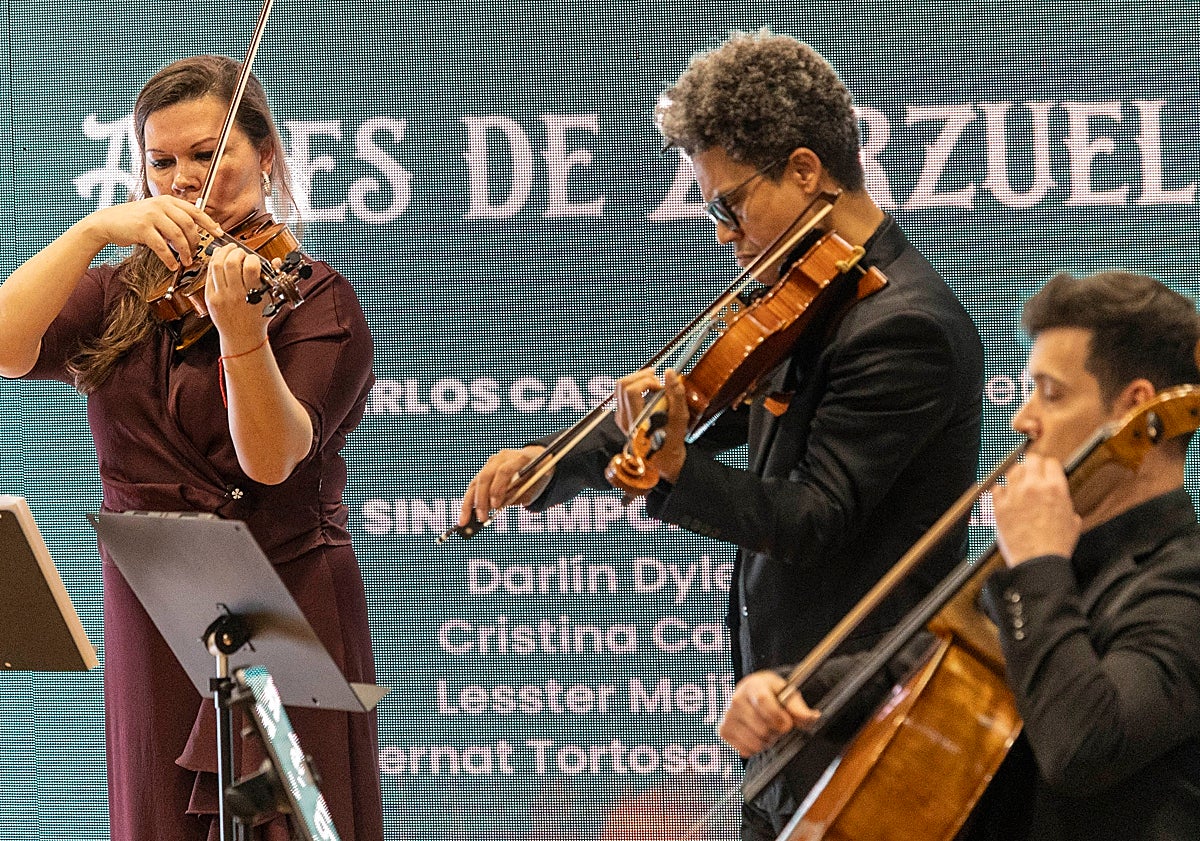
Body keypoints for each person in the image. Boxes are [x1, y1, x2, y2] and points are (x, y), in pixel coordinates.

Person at [458, 30, 983, 840]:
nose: (722, 233)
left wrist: (670, 475)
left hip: (867, 721)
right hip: (783, 721)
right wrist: (553, 464)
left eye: (730, 203)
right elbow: (694, 403)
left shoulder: (902, 327)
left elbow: (813, 518)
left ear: (805, 171)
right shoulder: (811, 298)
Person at [0, 56, 382, 841]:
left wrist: (244, 336)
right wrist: (95, 229)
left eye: (209, 155)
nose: (184, 179)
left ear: (266, 155)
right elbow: (6, 345)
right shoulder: (117, 293)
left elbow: (271, 460)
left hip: (283, 605)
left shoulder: (315, 297)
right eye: (162, 161)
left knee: (290, 826)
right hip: (152, 604)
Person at [719, 271, 1200, 840]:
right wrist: (793, 689)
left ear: (1133, 407)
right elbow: (935, 661)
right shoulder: (1053, 555)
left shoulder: (1181, 580)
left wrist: (1038, 566)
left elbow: (1084, 748)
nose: (1023, 419)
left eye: (1052, 393)